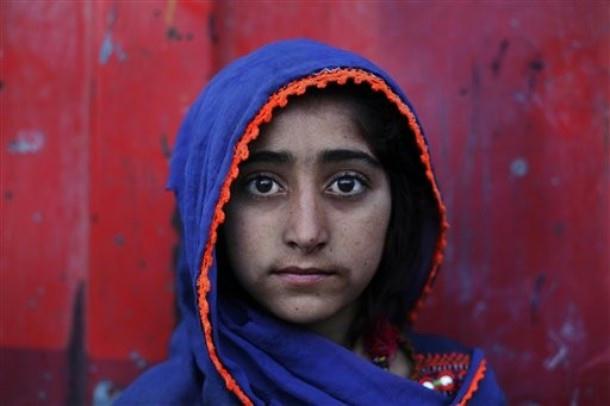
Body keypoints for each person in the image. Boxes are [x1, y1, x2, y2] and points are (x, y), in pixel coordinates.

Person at [117, 39, 505, 405]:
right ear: (210, 210)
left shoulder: (460, 391)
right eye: (263, 184)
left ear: (398, 207)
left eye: (347, 184)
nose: (306, 233)